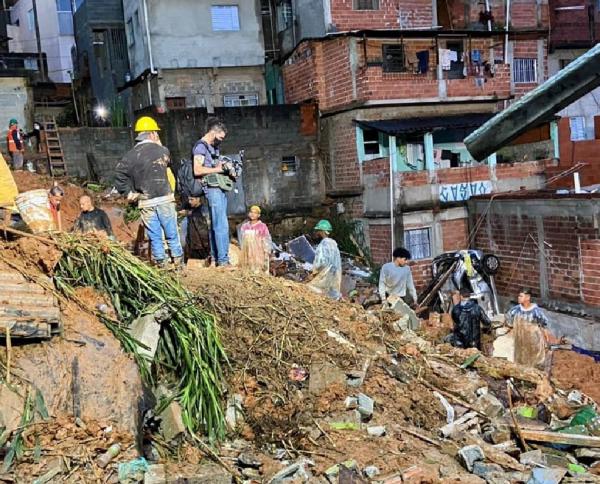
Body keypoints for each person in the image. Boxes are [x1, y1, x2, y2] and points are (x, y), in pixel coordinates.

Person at [114, 116, 183, 267]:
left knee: (155, 235)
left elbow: (119, 174)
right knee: (171, 233)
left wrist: (128, 193)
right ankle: (178, 262)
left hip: (146, 201)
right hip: (165, 198)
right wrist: (159, 144)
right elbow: (170, 164)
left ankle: (161, 264)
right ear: (152, 133)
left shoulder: (130, 155)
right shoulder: (162, 150)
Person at [192, 118, 230, 266]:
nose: (221, 141)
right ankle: (223, 261)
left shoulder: (212, 147)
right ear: (213, 132)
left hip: (218, 188)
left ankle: (216, 258)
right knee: (220, 225)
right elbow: (197, 170)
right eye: (220, 137)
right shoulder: (201, 147)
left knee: (217, 224)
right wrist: (218, 169)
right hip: (212, 189)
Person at [506, 288, 550, 368]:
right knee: (521, 356)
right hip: (520, 339)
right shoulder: (516, 310)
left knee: (533, 357)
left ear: (527, 297)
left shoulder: (536, 311)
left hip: (533, 339)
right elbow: (509, 320)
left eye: (521, 296)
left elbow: (543, 324)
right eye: (519, 296)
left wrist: (546, 338)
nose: (518, 298)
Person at [379, 247, 420, 330]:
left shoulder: (407, 269)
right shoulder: (386, 267)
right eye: (405, 259)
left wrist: (415, 298)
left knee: (402, 320)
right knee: (389, 321)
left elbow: (410, 284)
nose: (406, 262)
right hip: (388, 298)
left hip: (401, 298)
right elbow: (382, 283)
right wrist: (383, 299)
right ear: (398, 258)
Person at [306, 219, 342, 300]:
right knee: (331, 297)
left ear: (322, 231)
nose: (316, 233)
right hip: (334, 278)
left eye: (318, 231)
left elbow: (321, 263)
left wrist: (313, 274)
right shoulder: (333, 244)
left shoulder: (324, 244)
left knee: (309, 289)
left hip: (324, 278)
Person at [239, 205, 271, 273]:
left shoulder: (262, 226)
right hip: (248, 253)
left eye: (255, 213)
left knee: (259, 271)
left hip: (259, 253)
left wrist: (266, 251)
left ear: (258, 215)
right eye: (251, 212)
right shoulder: (245, 226)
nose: (253, 214)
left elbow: (266, 240)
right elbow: (242, 240)